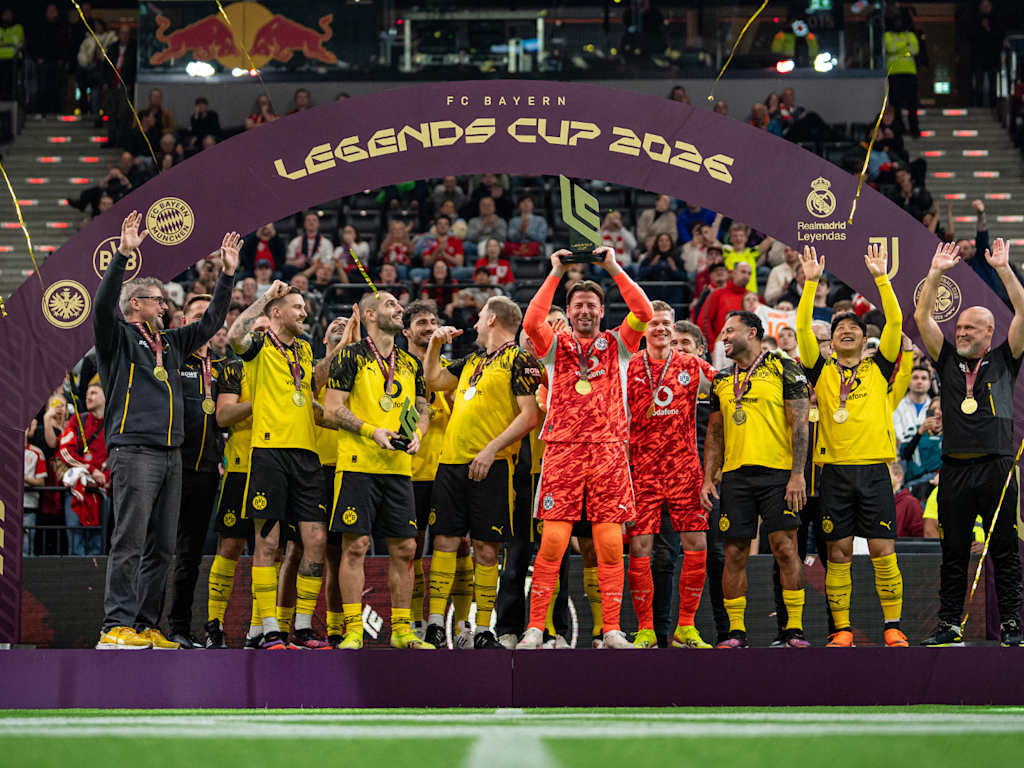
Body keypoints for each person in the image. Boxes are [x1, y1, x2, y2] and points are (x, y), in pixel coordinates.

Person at [94, 213, 235, 650]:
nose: (165, 306)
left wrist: (227, 276)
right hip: (134, 449)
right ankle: (114, 625)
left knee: (162, 549)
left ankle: (143, 624)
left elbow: (209, 324)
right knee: (130, 541)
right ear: (135, 303)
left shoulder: (171, 345)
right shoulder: (117, 337)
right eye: (157, 300)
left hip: (172, 454)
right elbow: (101, 306)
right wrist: (122, 256)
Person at [516, 246, 654, 650]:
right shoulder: (555, 346)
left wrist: (611, 265)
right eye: (578, 305)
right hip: (563, 451)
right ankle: (535, 629)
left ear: (601, 310)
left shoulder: (619, 344)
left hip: (609, 452)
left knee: (610, 545)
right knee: (554, 543)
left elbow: (644, 313)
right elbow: (531, 321)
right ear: (570, 310)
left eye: (592, 305)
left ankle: (610, 629)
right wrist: (556, 271)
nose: (584, 311)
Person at [797, 244, 908, 648]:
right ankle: (841, 629)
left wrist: (881, 278)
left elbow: (895, 319)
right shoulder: (821, 369)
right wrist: (811, 285)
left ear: (866, 339)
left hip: (875, 470)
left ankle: (892, 626)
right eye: (840, 328)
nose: (846, 331)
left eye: (855, 329)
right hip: (835, 473)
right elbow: (804, 330)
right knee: (839, 552)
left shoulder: (880, 366)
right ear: (832, 341)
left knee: (882, 550)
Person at [914, 239, 1024, 647]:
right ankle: (949, 624)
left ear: (990, 332)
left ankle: (1012, 624)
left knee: (1004, 550)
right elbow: (921, 314)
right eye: (958, 328)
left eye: (969, 328)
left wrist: (1003, 269)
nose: (960, 333)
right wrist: (936, 271)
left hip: (997, 466)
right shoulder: (945, 358)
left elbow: (1023, 311)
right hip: (955, 469)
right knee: (954, 551)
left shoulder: (1006, 356)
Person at [423, 296, 542, 649]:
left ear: (491, 319)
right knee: (444, 541)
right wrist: (433, 345)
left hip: (492, 466)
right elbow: (433, 379)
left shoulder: (520, 360)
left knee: (487, 549)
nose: (474, 324)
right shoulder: (473, 360)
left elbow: (529, 415)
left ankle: (485, 628)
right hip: (450, 463)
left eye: (478, 318)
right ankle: (433, 624)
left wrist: (491, 449)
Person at [321, 291, 432, 650]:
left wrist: (417, 433)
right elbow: (331, 410)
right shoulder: (349, 357)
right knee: (356, 547)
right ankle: (354, 629)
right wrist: (372, 431)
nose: (399, 308)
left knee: (406, 548)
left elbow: (422, 408)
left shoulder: (411, 363)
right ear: (369, 314)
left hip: (398, 468)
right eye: (390, 304)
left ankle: (401, 630)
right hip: (357, 466)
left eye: (399, 305)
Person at [227, 282, 329, 651]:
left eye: (304, 308)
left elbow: (313, 388)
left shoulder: (304, 348)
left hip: (307, 454)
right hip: (269, 453)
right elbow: (234, 335)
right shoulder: (257, 345)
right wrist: (265, 297)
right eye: (298, 308)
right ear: (277, 313)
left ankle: (301, 627)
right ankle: (268, 628)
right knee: (267, 542)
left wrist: (336, 347)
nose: (305, 313)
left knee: (315, 540)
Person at [700, 310, 810, 648]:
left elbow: (801, 425)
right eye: (722, 334)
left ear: (752, 332)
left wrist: (797, 475)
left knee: (785, 549)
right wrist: (708, 479)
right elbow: (715, 433)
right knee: (733, 553)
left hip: (778, 475)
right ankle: (735, 632)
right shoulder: (721, 379)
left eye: (730, 331)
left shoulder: (783, 367)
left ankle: (792, 629)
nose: (724, 338)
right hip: (735, 477)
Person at [626, 302, 717, 648]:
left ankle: (687, 627)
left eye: (667, 323)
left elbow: (727, 384)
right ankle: (647, 628)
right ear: (643, 328)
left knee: (697, 545)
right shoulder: (629, 366)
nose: (662, 329)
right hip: (642, 470)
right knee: (640, 547)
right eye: (655, 323)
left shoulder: (692, 365)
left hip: (684, 468)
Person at [399, 300, 469, 642]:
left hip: (449, 468)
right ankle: (414, 622)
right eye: (421, 322)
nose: (429, 327)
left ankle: (458, 625)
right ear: (405, 331)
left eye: (432, 321)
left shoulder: (451, 369)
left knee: (459, 546)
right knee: (410, 549)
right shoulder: (394, 369)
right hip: (410, 471)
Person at [166, 293, 231, 648]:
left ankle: (179, 626)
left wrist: (221, 454)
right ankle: (141, 623)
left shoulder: (222, 367)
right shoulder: (174, 359)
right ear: (182, 323)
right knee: (160, 549)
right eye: (195, 315)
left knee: (190, 554)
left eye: (209, 315)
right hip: (173, 465)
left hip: (207, 470)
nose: (203, 321)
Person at [205, 317, 266, 649]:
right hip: (241, 467)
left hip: (276, 468)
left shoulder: (291, 366)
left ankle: (258, 627)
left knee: (269, 551)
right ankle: (214, 623)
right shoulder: (234, 368)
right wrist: (258, 403)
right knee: (230, 546)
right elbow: (222, 416)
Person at [57, 378, 108, 556]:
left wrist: (105, 480)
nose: (89, 397)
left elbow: (118, 456)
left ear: (105, 396)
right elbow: (65, 451)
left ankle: (96, 584)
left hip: (101, 494)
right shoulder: (77, 420)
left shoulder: (113, 424)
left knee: (97, 546)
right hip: (76, 492)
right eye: (87, 394)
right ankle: (75, 585)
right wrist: (91, 470)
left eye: (94, 393)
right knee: (75, 545)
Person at [884, 12, 920, 138]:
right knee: (896, 104)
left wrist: (898, 49)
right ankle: (900, 128)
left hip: (909, 72)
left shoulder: (911, 35)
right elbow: (889, 48)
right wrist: (905, 46)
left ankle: (914, 128)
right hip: (894, 73)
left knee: (912, 103)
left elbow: (915, 50)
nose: (898, 24)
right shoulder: (887, 35)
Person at [698, 262, 753, 345]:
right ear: (733, 273)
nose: (746, 276)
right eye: (743, 272)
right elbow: (704, 321)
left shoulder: (753, 298)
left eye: (749, 273)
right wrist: (712, 346)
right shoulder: (717, 294)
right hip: (721, 346)